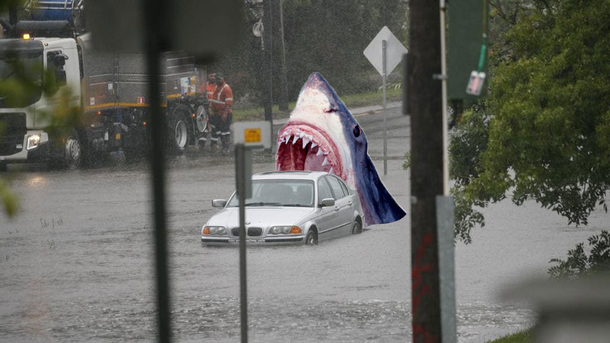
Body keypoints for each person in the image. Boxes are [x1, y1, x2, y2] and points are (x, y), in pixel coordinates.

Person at [209, 72, 233, 154]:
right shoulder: (217, 87)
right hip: (217, 113)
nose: (218, 80)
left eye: (219, 79)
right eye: (217, 79)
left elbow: (228, 103)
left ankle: (226, 148)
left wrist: (224, 114)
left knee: (225, 131)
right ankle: (222, 146)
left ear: (223, 79)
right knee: (217, 130)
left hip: (225, 114)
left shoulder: (226, 88)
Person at [199, 73, 218, 150]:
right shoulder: (204, 85)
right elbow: (199, 96)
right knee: (204, 126)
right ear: (208, 77)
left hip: (215, 109)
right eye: (211, 76)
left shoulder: (219, 86)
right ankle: (201, 144)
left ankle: (214, 144)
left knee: (215, 127)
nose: (212, 78)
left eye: (214, 76)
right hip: (205, 109)